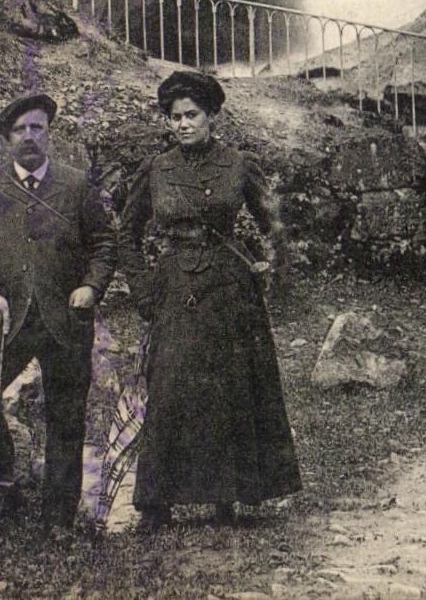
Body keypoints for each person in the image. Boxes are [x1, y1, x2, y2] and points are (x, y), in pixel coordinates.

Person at [118, 69, 301, 532]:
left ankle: (229, 495)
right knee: (170, 387)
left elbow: (275, 227)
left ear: (212, 116)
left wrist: (273, 281)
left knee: (229, 388)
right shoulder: (156, 170)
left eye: (191, 115)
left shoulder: (239, 165)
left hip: (229, 289)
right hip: (175, 287)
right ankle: (157, 501)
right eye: (174, 117)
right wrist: (143, 293)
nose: (181, 124)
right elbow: (126, 235)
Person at [0, 92, 116, 539]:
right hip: (6, 319)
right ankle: (2, 479)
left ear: (50, 133)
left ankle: (58, 521)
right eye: (20, 129)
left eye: (37, 127)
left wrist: (91, 286)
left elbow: (104, 245)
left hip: (65, 321)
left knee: (65, 417)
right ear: (7, 138)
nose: (29, 137)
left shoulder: (77, 185)